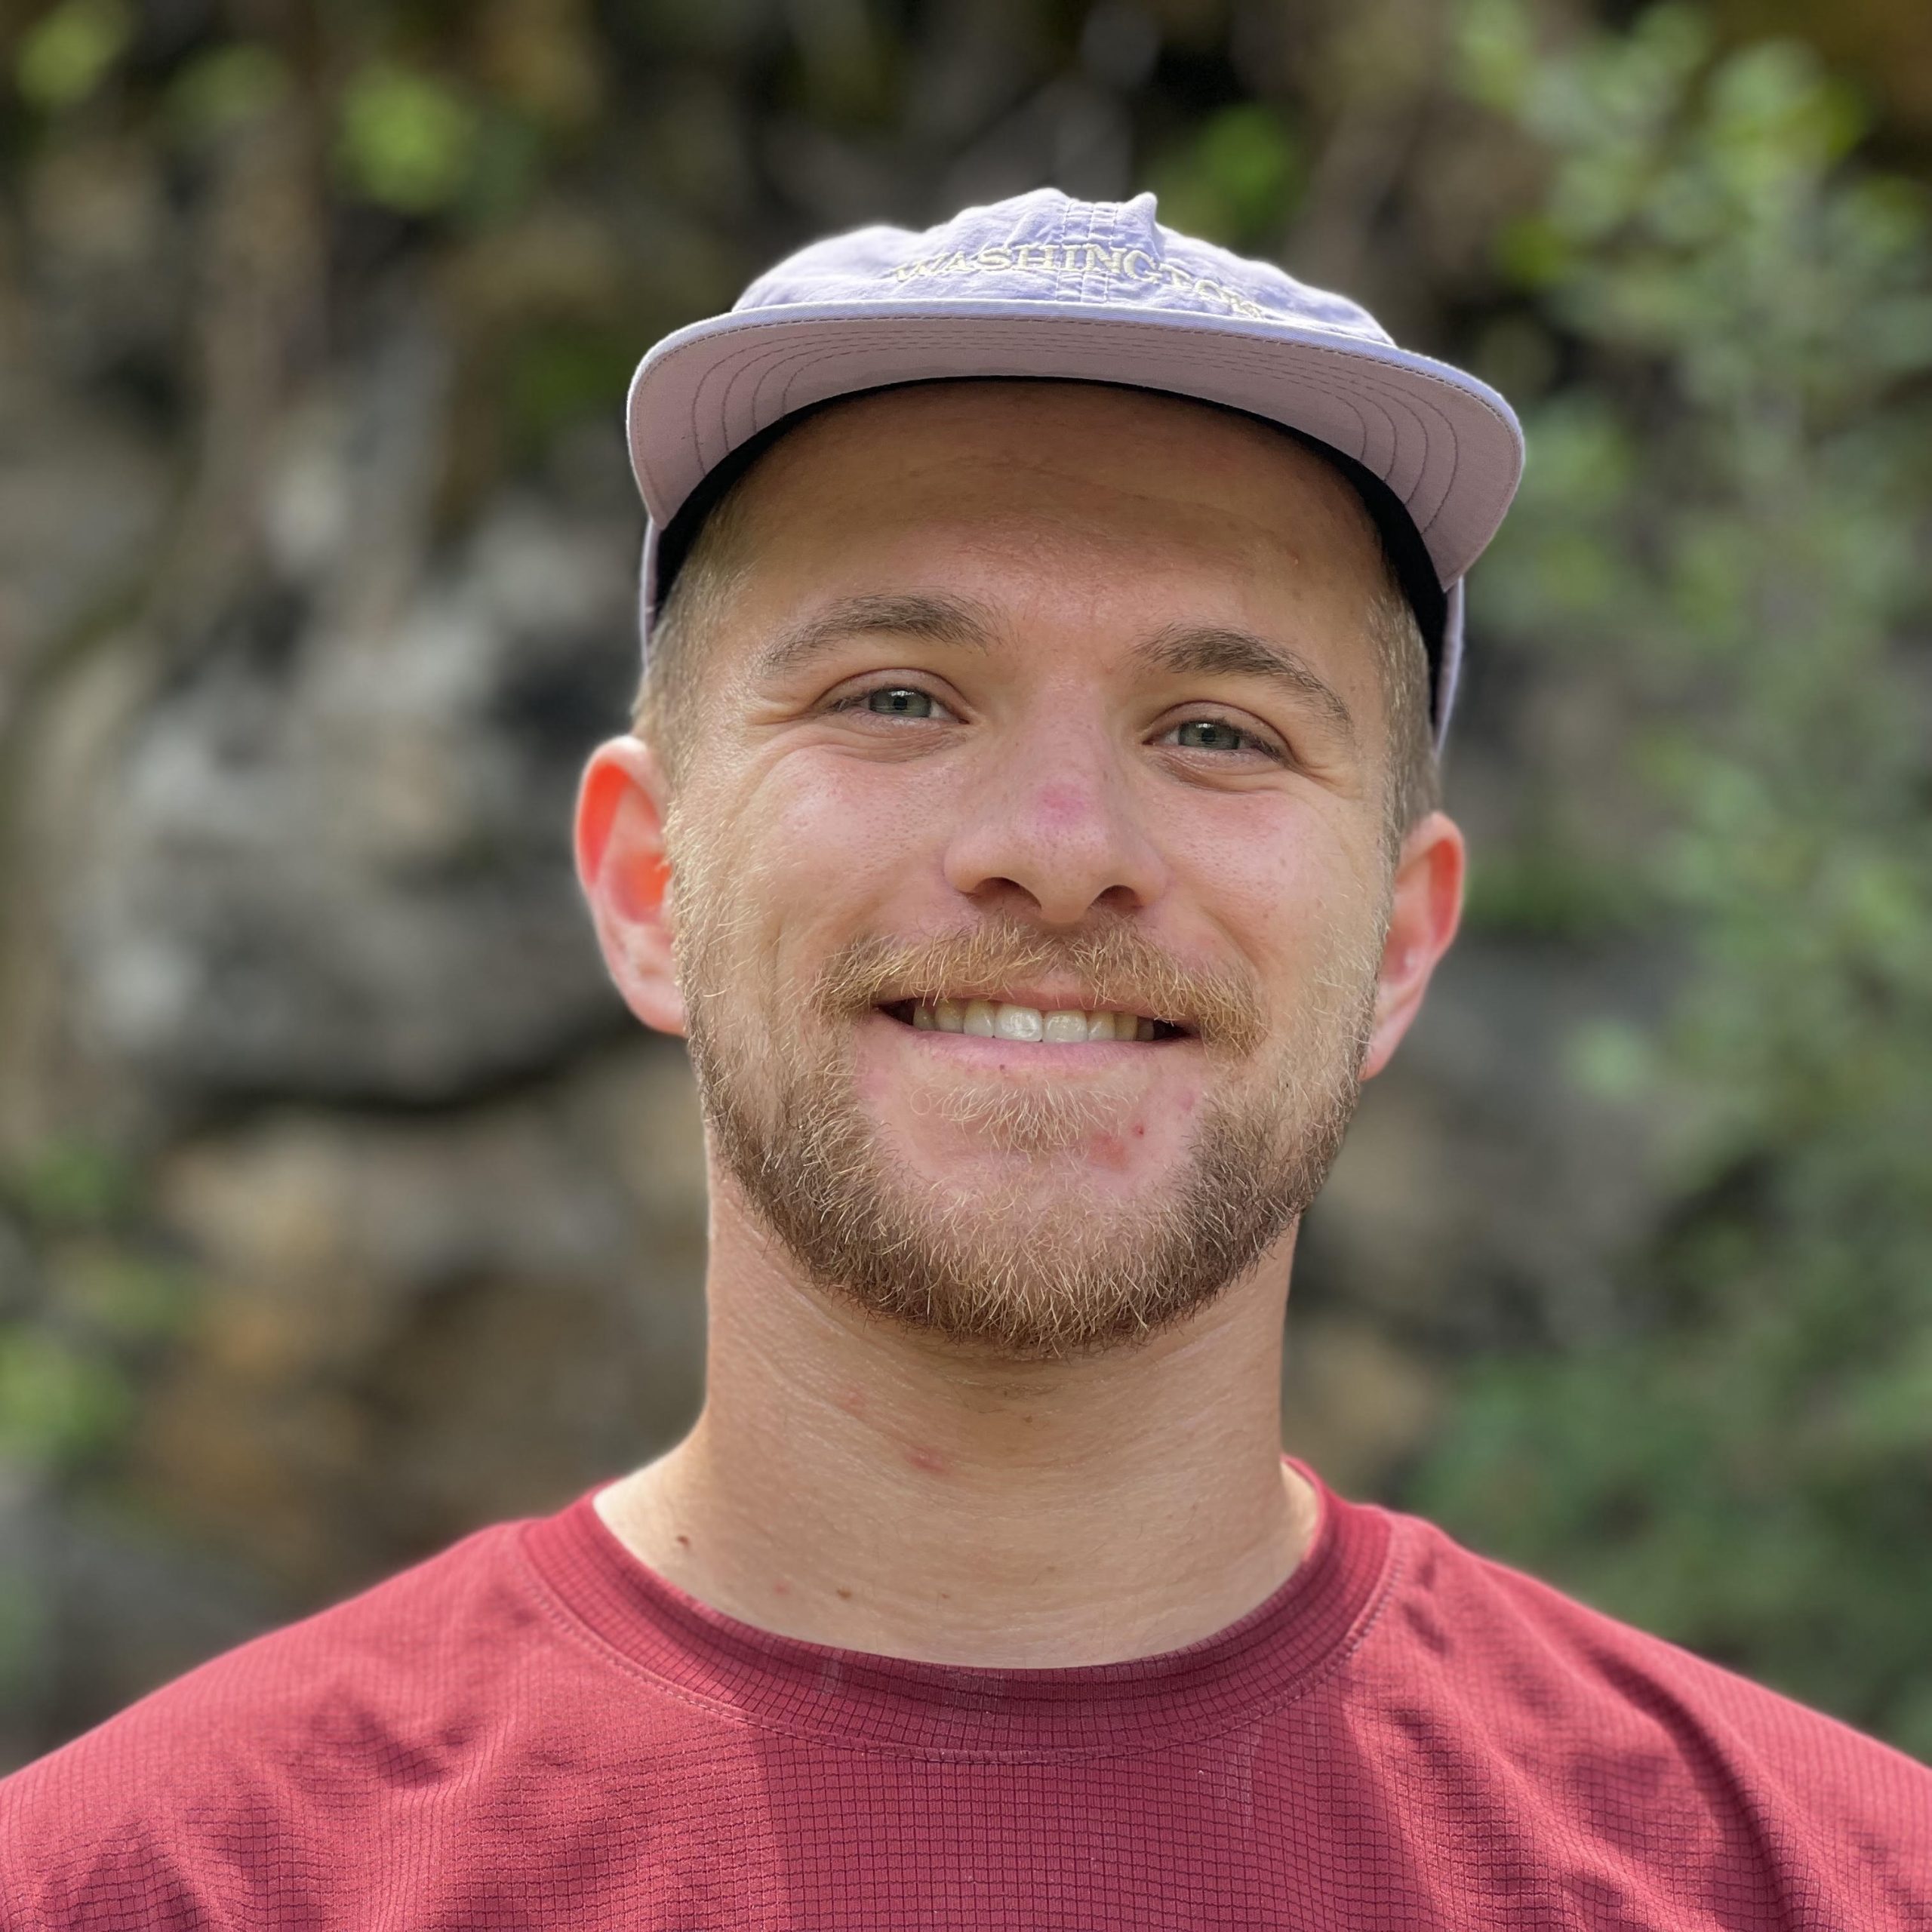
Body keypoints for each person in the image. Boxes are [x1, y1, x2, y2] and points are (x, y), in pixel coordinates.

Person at [2, 189, 1925, 1930]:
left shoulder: (1817, 1879)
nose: (1061, 838)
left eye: (1221, 728)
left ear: (1399, 943)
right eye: (898, 696)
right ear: (649, 879)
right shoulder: (152, 1883)